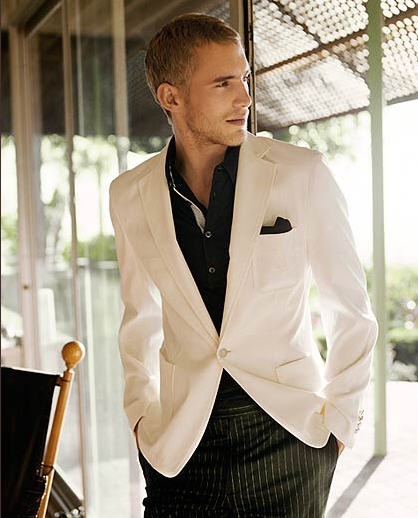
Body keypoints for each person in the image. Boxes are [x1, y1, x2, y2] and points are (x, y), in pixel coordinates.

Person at [109, 13, 378, 517]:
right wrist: (141, 417)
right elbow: (137, 318)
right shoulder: (129, 194)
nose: (245, 98)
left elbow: (351, 310)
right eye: (223, 83)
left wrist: (339, 423)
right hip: (180, 445)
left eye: (244, 78)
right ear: (171, 97)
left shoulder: (302, 173)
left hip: (288, 439)